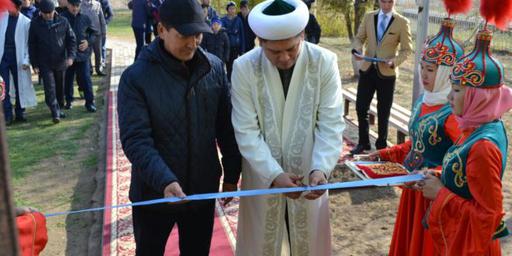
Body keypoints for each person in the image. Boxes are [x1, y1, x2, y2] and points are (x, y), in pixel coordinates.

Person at [117, 0, 241, 254]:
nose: (192, 43)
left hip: (201, 191)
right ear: (161, 30)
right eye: (184, 35)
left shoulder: (214, 68)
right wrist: (164, 180)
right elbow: (136, 140)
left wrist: (231, 174)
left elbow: (227, 128)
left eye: (198, 35)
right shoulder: (136, 78)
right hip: (154, 194)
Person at [231, 0, 345, 255]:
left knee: (308, 243)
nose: (284, 57)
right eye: (274, 52)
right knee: (262, 243)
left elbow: (331, 123)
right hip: (263, 177)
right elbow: (246, 131)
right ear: (260, 43)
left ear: (302, 35)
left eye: (292, 49)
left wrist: (321, 168)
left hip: (309, 173)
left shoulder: (324, 62)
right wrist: (273, 175)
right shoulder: (244, 68)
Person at [367, 18, 464, 256]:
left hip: (434, 197)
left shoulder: (454, 113)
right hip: (414, 192)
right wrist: (384, 154)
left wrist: (433, 176)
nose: (424, 74)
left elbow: (463, 160)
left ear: (447, 73)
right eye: (422, 67)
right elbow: (419, 142)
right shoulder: (424, 100)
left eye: (431, 70)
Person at [420, 24, 512, 254]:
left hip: (471, 247)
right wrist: (440, 176)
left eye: (458, 91)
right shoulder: (480, 126)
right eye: (451, 88)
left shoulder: (483, 145)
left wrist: (440, 193)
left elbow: (489, 219)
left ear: (479, 97)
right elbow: (469, 181)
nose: (450, 97)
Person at [350, 0, 413, 154]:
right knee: (360, 107)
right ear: (379, 1)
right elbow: (359, 38)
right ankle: (363, 143)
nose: (387, 5)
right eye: (384, 1)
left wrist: (395, 61)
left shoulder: (402, 22)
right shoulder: (368, 17)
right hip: (367, 69)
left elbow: (407, 49)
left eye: (390, 2)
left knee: (383, 111)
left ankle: (381, 146)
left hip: (387, 73)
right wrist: (357, 50)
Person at [29, 0, 76, 123]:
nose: (48, 16)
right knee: (50, 87)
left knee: (60, 87)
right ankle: (55, 113)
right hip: (44, 62)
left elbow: (71, 40)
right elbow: (32, 45)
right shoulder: (35, 24)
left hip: (60, 61)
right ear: (41, 12)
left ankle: (58, 106)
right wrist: (34, 64)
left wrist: (71, 56)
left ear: (54, 11)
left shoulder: (63, 21)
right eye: (45, 13)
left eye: (49, 13)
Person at [1, 0, 37, 125]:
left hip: (19, 57)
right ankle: (7, 114)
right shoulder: (3, 18)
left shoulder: (26, 23)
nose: (9, 10)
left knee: (20, 85)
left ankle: (20, 112)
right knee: (3, 86)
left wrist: (27, 59)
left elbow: (28, 44)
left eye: (11, 8)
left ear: (18, 8)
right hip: (4, 56)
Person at [61, 0, 98, 112]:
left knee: (86, 79)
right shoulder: (62, 18)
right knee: (68, 79)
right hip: (68, 55)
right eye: (73, 6)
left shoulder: (85, 18)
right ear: (68, 4)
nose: (75, 8)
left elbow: (94, 33)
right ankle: (68, 100)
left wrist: (88, 42)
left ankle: (90, 103)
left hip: (83, 56)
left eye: (77, 6)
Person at [80, 0, 106, 76]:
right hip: (86, 34)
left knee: (98, 53)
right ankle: (89, 70)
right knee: (88, 53)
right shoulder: (80, 5)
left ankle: (98, 69)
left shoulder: (97, 4)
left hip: (97, 33)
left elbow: (102, 19)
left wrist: (104, 31)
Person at [221, 1, 244, 80]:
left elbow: (242, 34)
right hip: (226, 47)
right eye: (230, 8)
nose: (232, 10)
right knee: (227, 65)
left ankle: (233, 80)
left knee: (235, 65)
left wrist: (242, 49)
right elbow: (222, 31)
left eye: (234, 8)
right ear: (227, 10)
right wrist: (232, 31)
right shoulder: (223, 20)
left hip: (236, 46)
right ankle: (228, 80)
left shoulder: (238, 20)